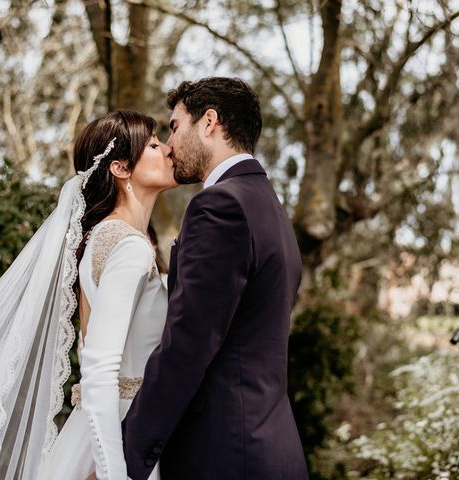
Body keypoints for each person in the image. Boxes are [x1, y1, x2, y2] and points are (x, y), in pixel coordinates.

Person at [0, 111, 175, 480]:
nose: (168, 149)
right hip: (119, 435)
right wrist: (114, 474)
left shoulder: (109, 237)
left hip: (109, 430)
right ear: (121, 169)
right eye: (154, 145)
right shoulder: (128, 247)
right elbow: (100, 371)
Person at [122, 77, 309, 480]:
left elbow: (186, 345)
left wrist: (124, 459)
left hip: (226, 455)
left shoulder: (220, 205)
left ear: (209, 122)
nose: (169, 145)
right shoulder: (269, 209)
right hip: (270, 447)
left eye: (175, 126)